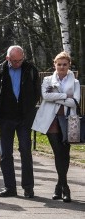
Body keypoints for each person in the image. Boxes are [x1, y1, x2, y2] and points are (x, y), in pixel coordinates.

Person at [0, 45, 41, 198]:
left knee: (25, 151)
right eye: (14, 61)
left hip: (25, 117)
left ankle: (28, 187)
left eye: (20, 60)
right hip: (6, 117)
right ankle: (10, 187)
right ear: (8, 58)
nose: (18, 63)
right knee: (5, 153)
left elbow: (36, 91)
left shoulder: (31, 69)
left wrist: (28, 106)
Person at [31, 51, 80, 202]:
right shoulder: (47, 80)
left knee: (65, 153)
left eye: (65, 64)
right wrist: (65, 96)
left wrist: (56, 97)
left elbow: (75, 102)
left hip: (68, 119)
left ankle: (60, 186)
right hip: (51, 120)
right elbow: (46, 96)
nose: (62, 67)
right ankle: (65, 188)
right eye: (59, 64)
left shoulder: (75, 82)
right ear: (55, 65)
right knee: (58, 152)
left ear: (69, 65)